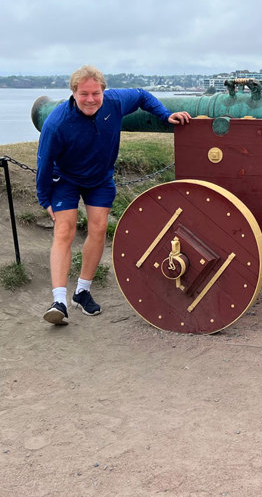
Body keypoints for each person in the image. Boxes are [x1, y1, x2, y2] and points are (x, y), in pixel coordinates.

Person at [36, 65, 191, 325]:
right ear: (73, 92)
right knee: (64, 230)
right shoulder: (57, 122)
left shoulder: (114, 102)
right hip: (65, 179)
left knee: (98, 229)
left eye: (95, 93)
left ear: (103, 91)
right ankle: (59, 301)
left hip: (100, 179)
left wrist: (165, 115)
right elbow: (43, 161)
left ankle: (82, 292)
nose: (90, 99)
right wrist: (44, 199)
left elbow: (142, 94)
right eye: (84, 94)